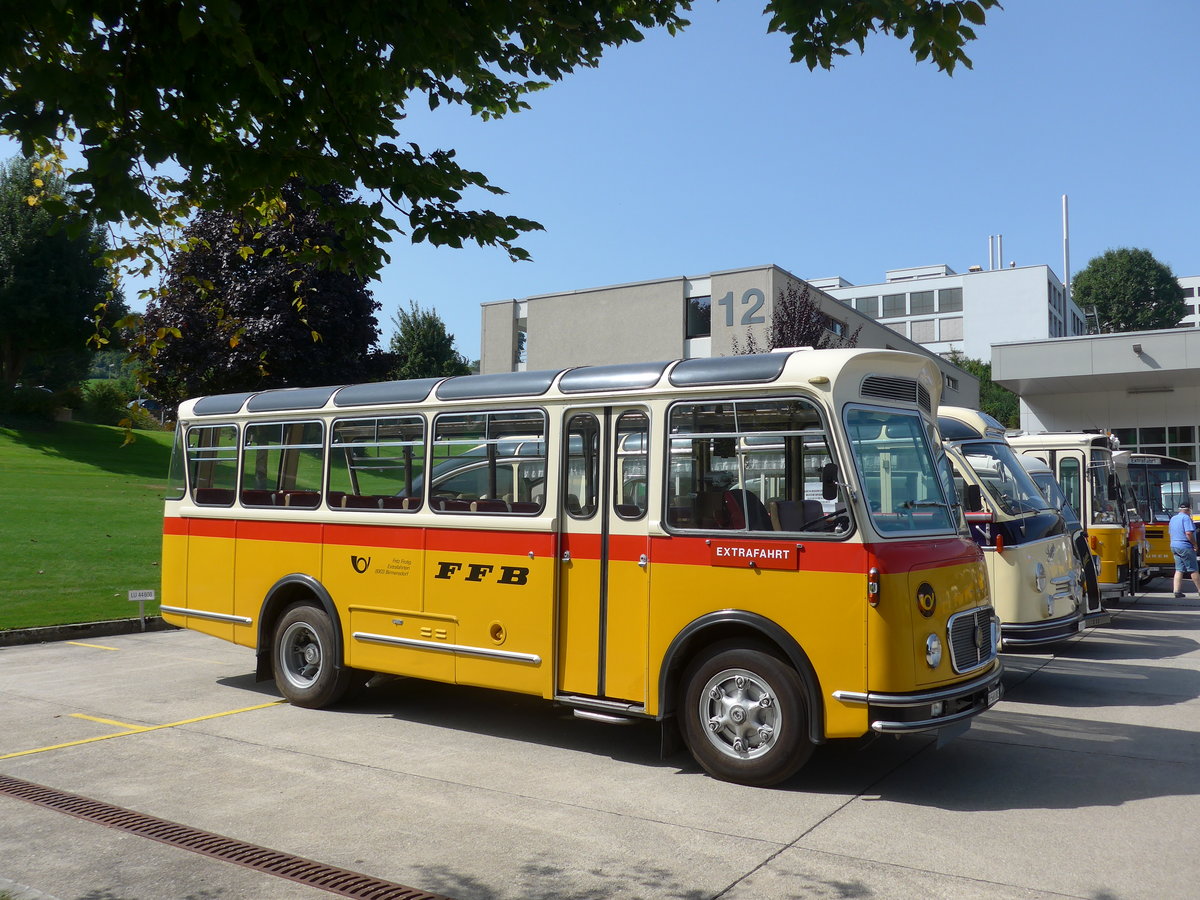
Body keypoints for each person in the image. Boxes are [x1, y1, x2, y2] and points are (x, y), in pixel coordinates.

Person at [1168, 502, 1200, 598]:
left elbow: (1170, 532)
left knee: (1179, 569)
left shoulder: (1173, 518)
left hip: (1174, 546)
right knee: (1193, 569)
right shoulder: (1186, 518)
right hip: (1185, 546)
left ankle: (1177, 591)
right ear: (1189, 509)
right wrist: (1195, 544)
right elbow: (1189, 533)